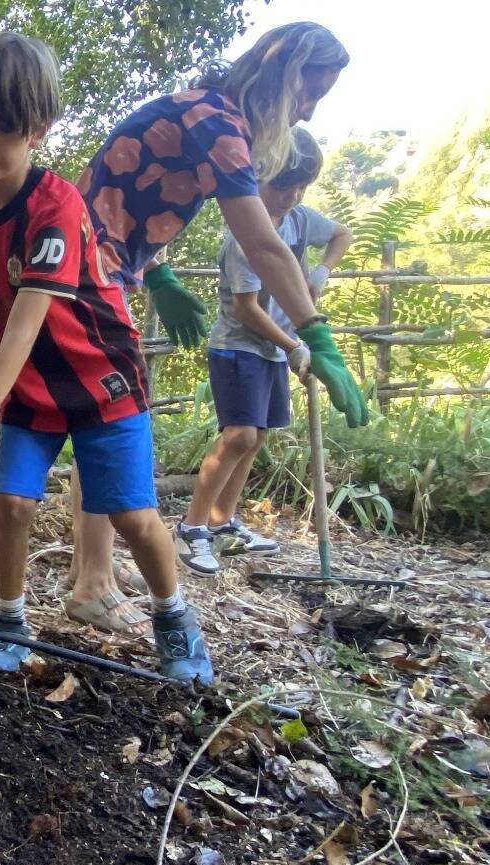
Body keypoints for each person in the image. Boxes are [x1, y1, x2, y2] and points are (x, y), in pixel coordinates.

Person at [0, 33, 213, 685]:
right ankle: (8, 619)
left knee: (131, 515)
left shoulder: (56, 206)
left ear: (39, 130)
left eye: (2, 129)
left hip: (101, 384)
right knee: (12, 504)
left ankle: (173, 616)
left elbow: (25, 329)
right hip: (28, 391)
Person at [65, 22, 369, 619]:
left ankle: (89, 563)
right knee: (111, 421)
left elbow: (128, 189)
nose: (306, 111)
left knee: (101, 416)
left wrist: (154, 273)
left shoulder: (202, 111)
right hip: (83, 271)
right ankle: (91, 585)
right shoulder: (219, 125)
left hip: (101, 265)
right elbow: (262, 243)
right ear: (283, 75)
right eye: (310, 94)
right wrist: (316, 334)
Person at [178, 127, 351, 574]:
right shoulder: (242, 237)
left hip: (275, 351)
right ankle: (191, 527)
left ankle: (223, 523)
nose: (291, 196)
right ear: (258, 178)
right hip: (239, 346)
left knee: (258, 438)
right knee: (239, 434)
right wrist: (295, 344)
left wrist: (320, 273)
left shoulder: (298, 221)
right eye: (283, 185)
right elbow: (248, 309)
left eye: (301, 187)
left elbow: (342, 235)